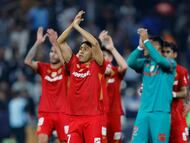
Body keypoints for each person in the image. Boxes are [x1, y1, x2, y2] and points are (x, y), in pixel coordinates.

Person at [48, 10, 107, 143]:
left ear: (93, 53)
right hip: (73, 118)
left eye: (85, 49)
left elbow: (96, 44)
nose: (81, 51)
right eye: (80, 49)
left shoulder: (97, 65)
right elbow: (60, 42)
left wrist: (77, 27)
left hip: (92, 118)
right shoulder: (73, 63)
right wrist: (72, 25)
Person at [127, 28, 176, 143]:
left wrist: (147, 42)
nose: (145, 45)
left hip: (160, 112)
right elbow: (130, 62)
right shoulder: (145, 63)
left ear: (157, 47)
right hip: (143, 112)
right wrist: (139, 47)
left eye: (148, 43)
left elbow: (161, 61)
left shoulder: (170, 63)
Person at [24, 27, 68, 143]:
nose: (52, 55)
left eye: (55, 52)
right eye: (51, 51)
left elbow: (67, 64)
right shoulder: (44, 68)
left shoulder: (65, 70)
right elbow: (27, 61)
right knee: (42, 141)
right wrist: (37, 43)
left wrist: (56, 43)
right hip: (46, 112)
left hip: (63, 113)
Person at [98, 30, 127, 143]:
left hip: (115, 112)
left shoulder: (116, 72)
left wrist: (112, 48)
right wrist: (99, 43)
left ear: (110, 58)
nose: (102, 58)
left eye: (104, 56)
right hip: (100, 113)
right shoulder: (95, 73)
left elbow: (124, 66)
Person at [162, 41, 189, 143]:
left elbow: (185, 92)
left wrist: (173, 94)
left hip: (177, 117)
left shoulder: (181, 71)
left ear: (175, 54)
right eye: (163, 52)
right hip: (160, 117)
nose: (165, 54)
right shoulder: (156, 70)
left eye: (168, 52)